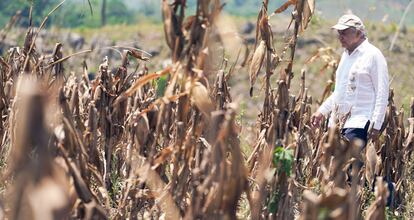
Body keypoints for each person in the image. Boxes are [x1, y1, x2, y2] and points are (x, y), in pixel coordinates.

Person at [311, 14, 389, 147]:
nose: (340, 37)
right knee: (332, 167)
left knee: (349, 166)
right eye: (339, 33)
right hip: (336, 125)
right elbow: (339, 92)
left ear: (358, 33)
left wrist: (376, 126)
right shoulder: (345, 56)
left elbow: (382, 92)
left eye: (344, 33)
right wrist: (321, 111)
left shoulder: (373, 55)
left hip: (359, 124)